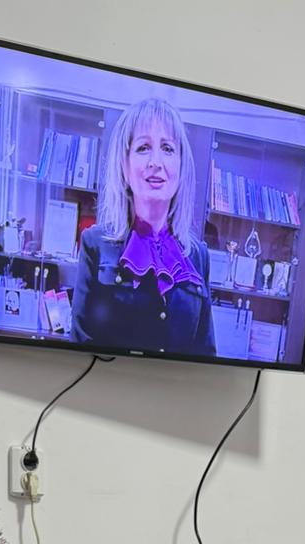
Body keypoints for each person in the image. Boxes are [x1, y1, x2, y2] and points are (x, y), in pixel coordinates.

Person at [72, 98, 216, 359]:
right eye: (143, 148)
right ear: (124, 166)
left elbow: (206, 356)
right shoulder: (94, 244)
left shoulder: (199, 256)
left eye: (168, 148)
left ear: (181, 167)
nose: (155, 162)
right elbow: (79, 349)